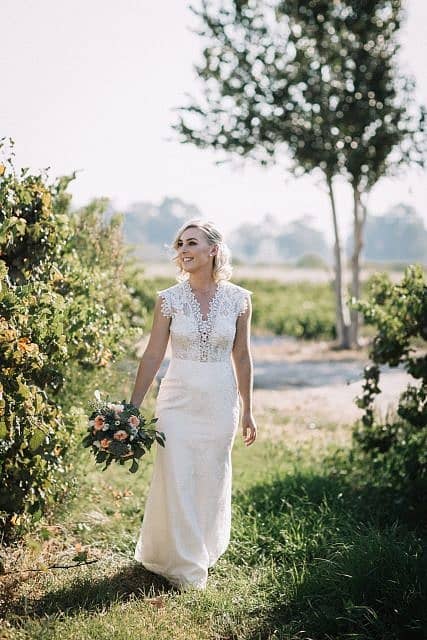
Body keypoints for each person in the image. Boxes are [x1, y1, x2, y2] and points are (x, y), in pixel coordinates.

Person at [131, 219, 257, 591]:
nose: (183, 250)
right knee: (177, 472)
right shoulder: (168, 299)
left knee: (209, 478)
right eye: (180, 244)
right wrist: (132, 408)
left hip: (220, 399)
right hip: (177, 398)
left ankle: (197, 549)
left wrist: (248, 409)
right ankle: (187, 567)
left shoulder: (240, 299)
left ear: (213, 250)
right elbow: (153, 355)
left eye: (192, 243)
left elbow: (244, 357)